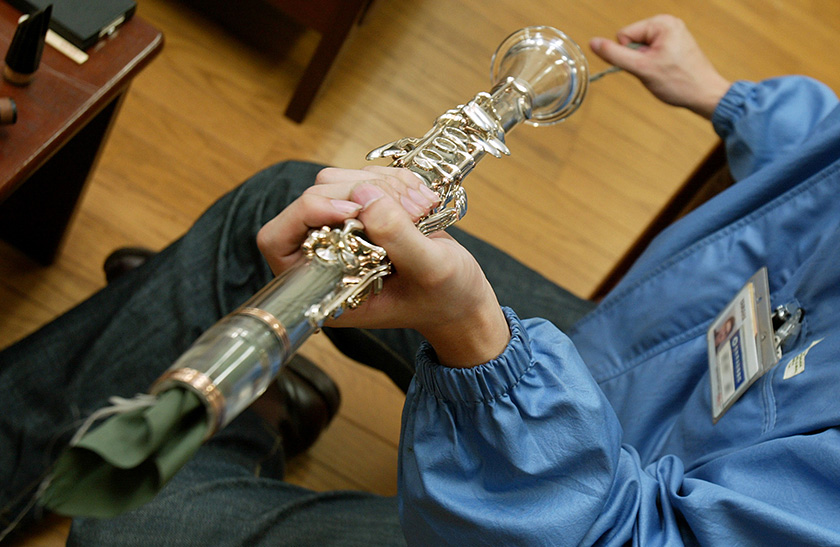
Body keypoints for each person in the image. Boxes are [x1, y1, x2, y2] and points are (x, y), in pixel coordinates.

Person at [2, 13, 840, 545]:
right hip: (642, 361)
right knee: (283, 196)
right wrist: (733, 101)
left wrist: (478, 339)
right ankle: (232, 397)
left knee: (129, 529)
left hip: (606, 517)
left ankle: (251, 408)